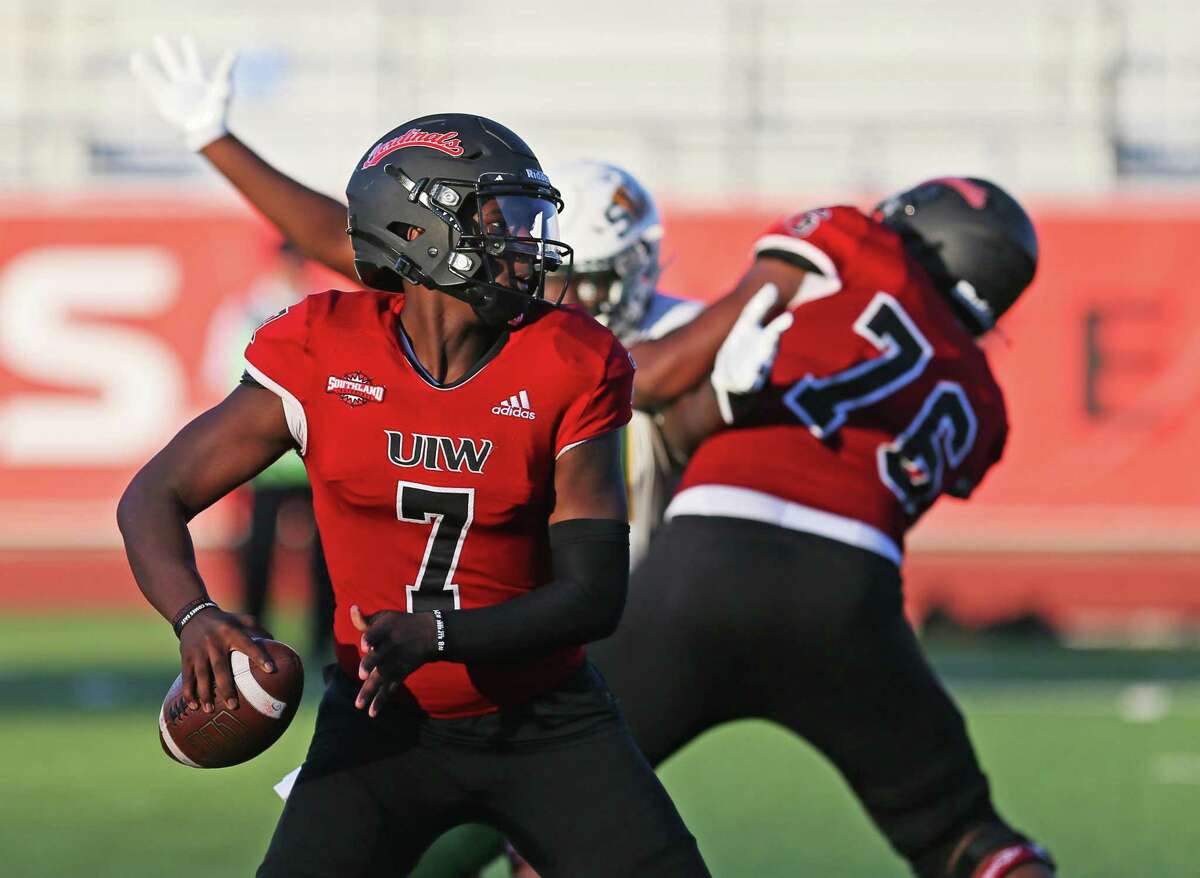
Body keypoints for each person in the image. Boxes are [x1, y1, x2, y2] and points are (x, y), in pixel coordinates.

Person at [117, 111, 710, 878]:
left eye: (529, 219)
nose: (526, 244)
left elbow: (594, 597)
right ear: (419, 230)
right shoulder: (323, 350)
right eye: (500, 219)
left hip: (549, 720)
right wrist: (194, 616)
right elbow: (152, 495)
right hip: (380, 725)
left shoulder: (571, 358)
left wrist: (436, 636)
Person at [591, 180, 1057, 878]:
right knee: (967, 836)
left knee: (556, 806)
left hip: (707, 562)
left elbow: (657, 379)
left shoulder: (848, 239)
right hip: (851, 593)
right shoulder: (984, 407)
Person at [203, 239, 335, 657]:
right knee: (259, 551)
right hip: (271, 458)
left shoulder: (309, 308)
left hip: (306, 456)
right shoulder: (250, 310)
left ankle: (320, 640)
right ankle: (258, 633)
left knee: (324, 557)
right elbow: (222, 370)